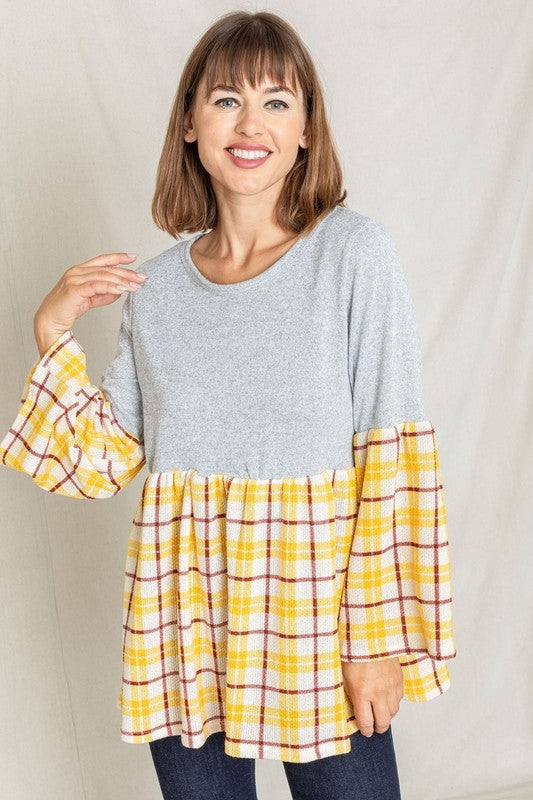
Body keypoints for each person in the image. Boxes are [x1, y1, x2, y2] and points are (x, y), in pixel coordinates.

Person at [0, 9, 457, 800]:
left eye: (276, 101)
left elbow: (391, 458)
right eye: (225, 100)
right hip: (183, 621)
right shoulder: (155, 290)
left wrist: (375, 641)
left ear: (306, 129)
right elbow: (100, 464)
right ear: (189, 122)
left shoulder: (353, 255)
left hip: (318, 621)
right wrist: (51, 331)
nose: (251, 125)